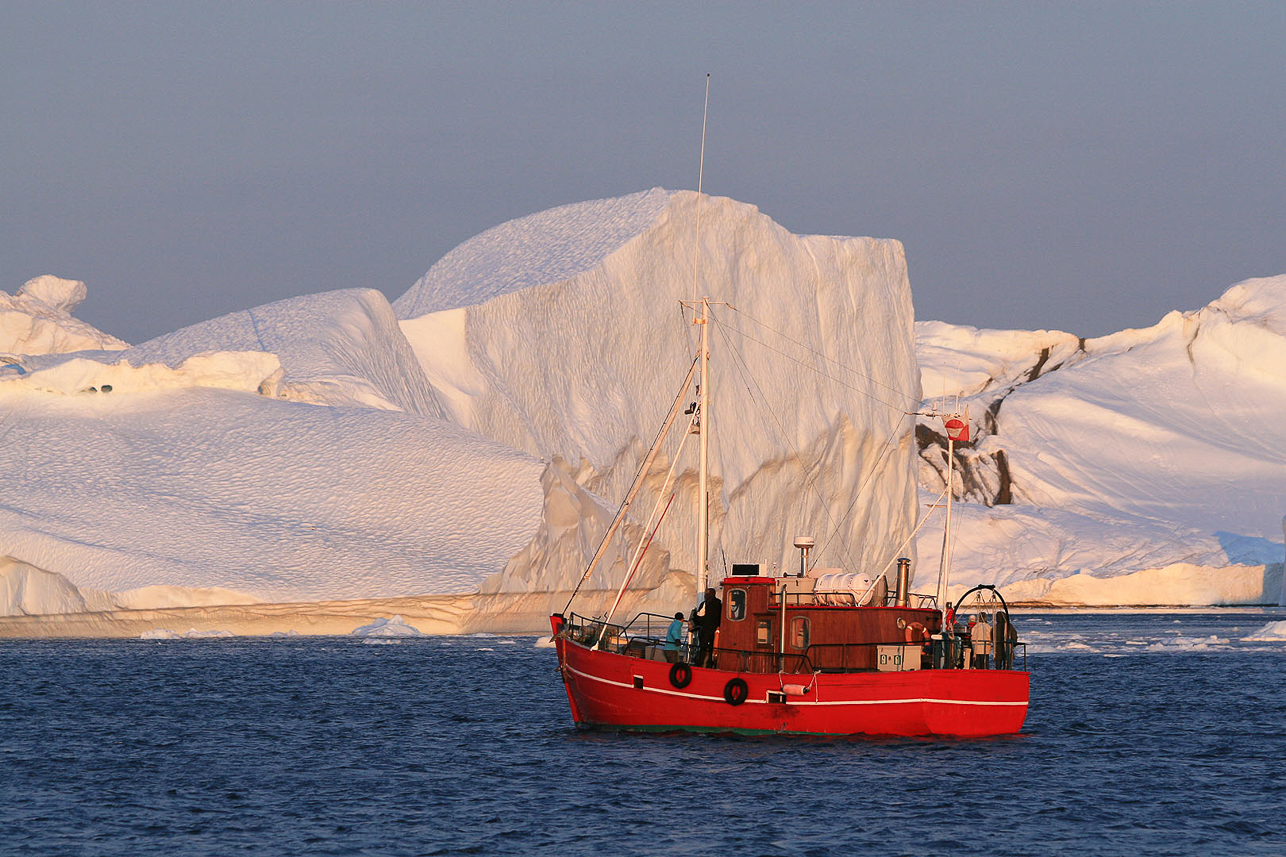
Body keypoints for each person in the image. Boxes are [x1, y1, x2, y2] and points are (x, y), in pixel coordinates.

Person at [690, 587, 722, 668]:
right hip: (716, 630)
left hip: (706, 631)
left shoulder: (705, 604)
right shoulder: (719, 604)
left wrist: (694, 617)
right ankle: (712, 664)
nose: (705, 595)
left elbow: (699, 617)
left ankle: (702, 665)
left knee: (703, 649)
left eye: (706, 594)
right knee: (713, 648)